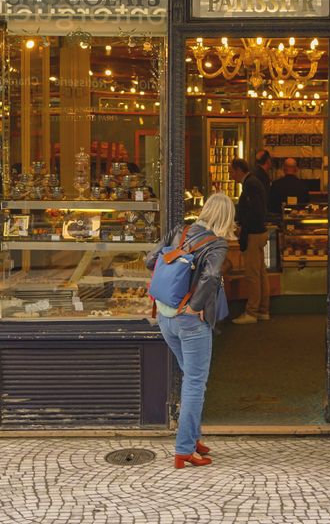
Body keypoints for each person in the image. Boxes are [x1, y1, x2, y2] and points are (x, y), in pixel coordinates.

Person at [146, 191, 234, 469]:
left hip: (165, 316)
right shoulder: (217, 244)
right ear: (227, 217)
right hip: (190, 320)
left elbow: (151, 260)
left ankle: (193, 437)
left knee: (190, 378)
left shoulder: (179, 231)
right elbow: (211, 276)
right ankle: (184, 450)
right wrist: (195, 306)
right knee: (195, 383)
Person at [229, 157, 269, 324]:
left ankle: (251, 312)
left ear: (239, 170)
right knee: (260, 273)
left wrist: (242, 227)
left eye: (231, 171)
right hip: (259, 233)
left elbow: (254, 211)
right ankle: (263, 310)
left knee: (252, 274)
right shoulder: (254, 182)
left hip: (253, 235)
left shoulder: (250, 185)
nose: (230, 175)